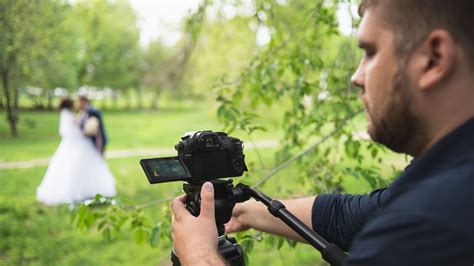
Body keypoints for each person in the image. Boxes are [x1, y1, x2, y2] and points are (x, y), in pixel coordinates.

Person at [170, 0, 474, 265]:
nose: (356, 77)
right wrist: (245, 211)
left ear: (433, 59)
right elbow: (350, 218)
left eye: (370, 52)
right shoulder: (452, 179)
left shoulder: (426, 227)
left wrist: (198, 254)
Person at [36, 97, 116, 205]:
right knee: (76, 168)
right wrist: (85, 133)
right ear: (70, 105)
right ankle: (81, 192)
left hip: (70, 144)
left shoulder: (66, 115)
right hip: (76, 144)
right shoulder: (68, 116)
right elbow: (72, 133)